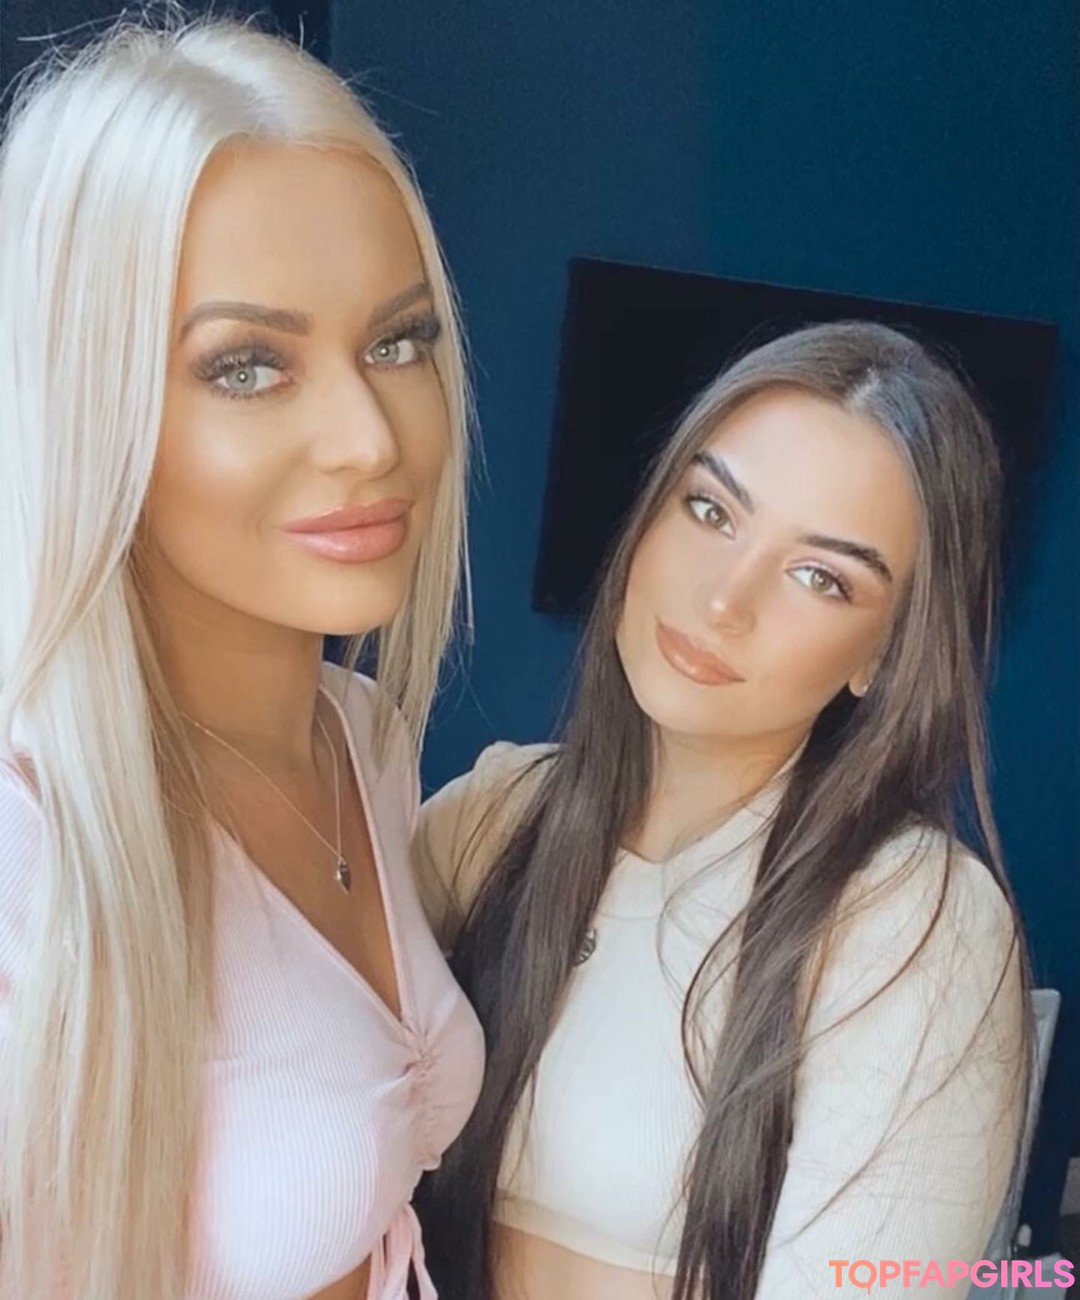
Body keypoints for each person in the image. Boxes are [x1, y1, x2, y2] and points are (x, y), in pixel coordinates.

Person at [0, 13, 483, 1300]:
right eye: (250, 366)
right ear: (84, 402)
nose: (370, 437)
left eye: (398, 341)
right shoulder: (29, 840)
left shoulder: (365, 735)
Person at [413, 321, 1031, 1300]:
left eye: (821, 577)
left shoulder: (914, 922)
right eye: (710, 510)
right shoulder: (492, 818)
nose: (723, 600)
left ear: (882, 656)